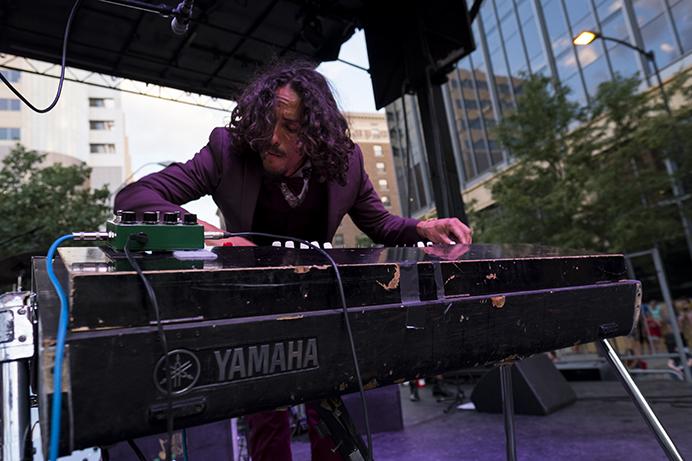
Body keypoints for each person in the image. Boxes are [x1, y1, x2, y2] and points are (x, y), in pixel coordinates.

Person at [114, 61, 472, 461]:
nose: (272, 136)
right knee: (266, 419)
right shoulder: (227, 150)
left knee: (330, 416)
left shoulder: (346, 163)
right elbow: (135, 197)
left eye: (291, 127)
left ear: (317, 131)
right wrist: (215, 236)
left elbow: (381, 224)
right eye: (267, 121)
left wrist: (424, 228)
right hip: (254, 305)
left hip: (320, 303)